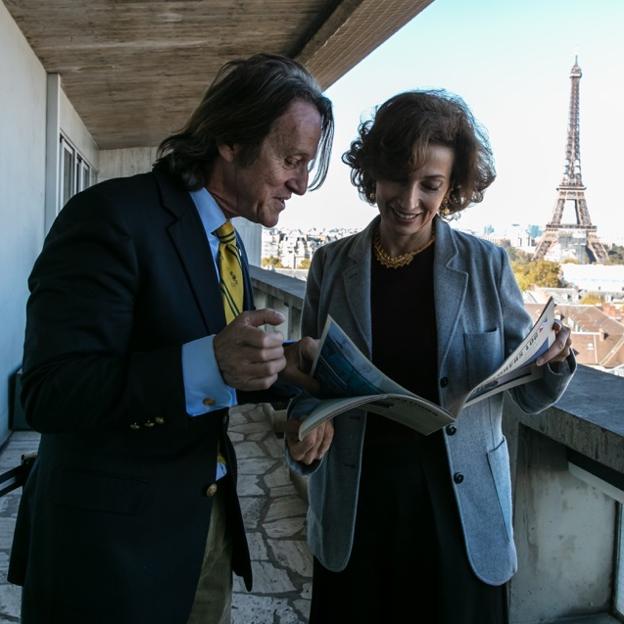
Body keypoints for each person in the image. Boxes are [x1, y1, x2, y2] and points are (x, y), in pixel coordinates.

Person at [9, 53, 333, 624]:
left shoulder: (225, 241)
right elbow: (48, 392)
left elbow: (212, 365)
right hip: (109, 551)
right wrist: (211, 364)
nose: (301, 184)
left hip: (204, 530)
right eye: (291, 159)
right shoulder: (108, 216)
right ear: (231, 140)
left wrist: (287, 367)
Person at [286, 90, 575, 623]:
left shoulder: (487, 263)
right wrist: (303, 430)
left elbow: (530, 393)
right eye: (397, 177)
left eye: (431, 185)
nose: (410, 199)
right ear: (373, 173)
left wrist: (551, 361)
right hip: (358, 501)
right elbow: (312, 383)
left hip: (460, 509)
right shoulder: (330, 264)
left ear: (454, 187)